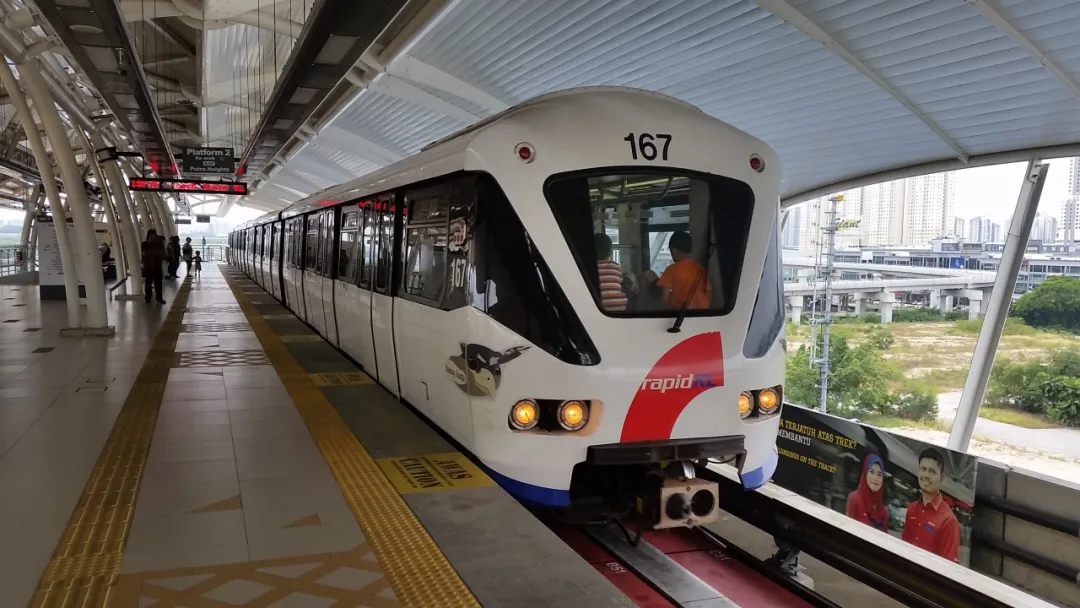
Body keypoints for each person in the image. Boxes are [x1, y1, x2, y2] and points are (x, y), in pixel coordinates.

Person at [901, 447, 960, 562]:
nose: (926, 475)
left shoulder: (949, 521)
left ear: (942, 478)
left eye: (932, 471)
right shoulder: (912, 509)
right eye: (923, 469)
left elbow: (949, 566)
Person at [643, 230, 710, 310]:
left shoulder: (671, 270)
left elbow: (664, 299)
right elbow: (709, 292)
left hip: (679, 313)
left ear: (674, 250)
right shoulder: (700, 269)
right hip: (702, 314)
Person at [846, 454, 888, 533]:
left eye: (879, 474)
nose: (875, 478)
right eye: (872, 472)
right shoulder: (854, 498)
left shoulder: (884, 511)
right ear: (865, 473)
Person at [595, 233, 628, 311]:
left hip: (598, 308)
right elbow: (620, 281)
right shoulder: (615, 266)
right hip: (619, 307)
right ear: (610, 252)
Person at [140, 230, 166, 304]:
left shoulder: (159, 244)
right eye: (152, 235)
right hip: (148, 266)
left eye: (155, 235)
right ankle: (148, 297)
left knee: (158, 283)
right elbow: (145, 254)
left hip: (157, 266)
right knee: (148, 283)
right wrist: (155, 252)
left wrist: (151, 252)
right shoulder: (145, 244)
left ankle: (159, 298)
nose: (154, 236)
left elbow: (163, 254)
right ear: (149, 235)